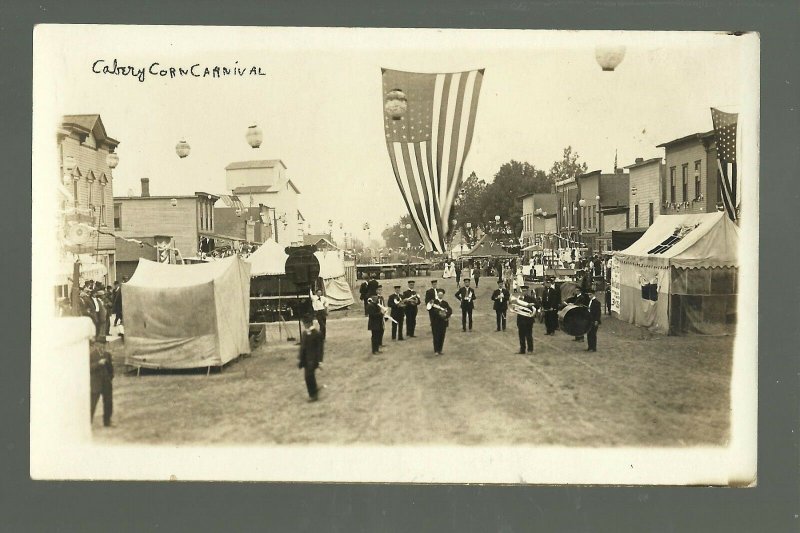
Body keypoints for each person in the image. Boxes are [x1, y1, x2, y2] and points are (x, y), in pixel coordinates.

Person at [298, 314, 324, 401]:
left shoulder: (317, 334)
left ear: (310, 323)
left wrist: (320, 361)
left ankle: (314, 394)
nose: (304, 325)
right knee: (307, 377)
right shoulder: (305, 333)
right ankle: (313, 392)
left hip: (313, 359)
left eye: (305, 324)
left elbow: (320, 348)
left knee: (309, 376)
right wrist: (301, 359)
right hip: (306, 359)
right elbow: (303, 348)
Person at [89, 335, 114, 427]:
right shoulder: (91, 355)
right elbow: (88, 368)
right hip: (95, 382)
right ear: (96, 344)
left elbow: (111, 369)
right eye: (100, 344)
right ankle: (88, 422)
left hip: (106, 383)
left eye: (104, 344)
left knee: (108, 402)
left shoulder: (107, 355)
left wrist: (110, 378)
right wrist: (98, 364)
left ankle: (107, 422)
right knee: (92, 404)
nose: (102, 346)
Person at [512, 285, 539, 354]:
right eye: (523, 291)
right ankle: (522, 350)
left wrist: (532, 304)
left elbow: (538, 305)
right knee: (521, 335)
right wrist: (515, 308)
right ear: (521, 291)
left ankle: (530, 349)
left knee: (529, 335)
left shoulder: (531, 298)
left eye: (525, 291)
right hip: (520, 319)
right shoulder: (519, 299)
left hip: (528, 320)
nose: (524, 292)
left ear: (527, 291)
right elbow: (514, 306)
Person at [428, 288, 453, 355]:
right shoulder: (434, 302)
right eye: (439, 294)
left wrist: (446, 315)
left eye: (441, 294)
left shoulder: (445, 303)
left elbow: (450, 310)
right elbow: (430, 310)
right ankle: (436, 350)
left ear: (443, 295)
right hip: (435, 322)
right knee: (436, 336)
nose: (440, 296)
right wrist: (439, 313)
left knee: (442, 336)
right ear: (437, 295)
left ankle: (440, 350)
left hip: (443, 322)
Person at [367, 285, 386, 355]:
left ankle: (377, 349)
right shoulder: (370, 305)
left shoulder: (375, 305)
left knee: (377, 336)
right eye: (375, 297)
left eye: (376, 297)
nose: (376, 298)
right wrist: (381, 313)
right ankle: (374, 350)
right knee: (374, 337)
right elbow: (372, 315)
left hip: (377, 323)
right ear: (372, 298)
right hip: (374, 324)